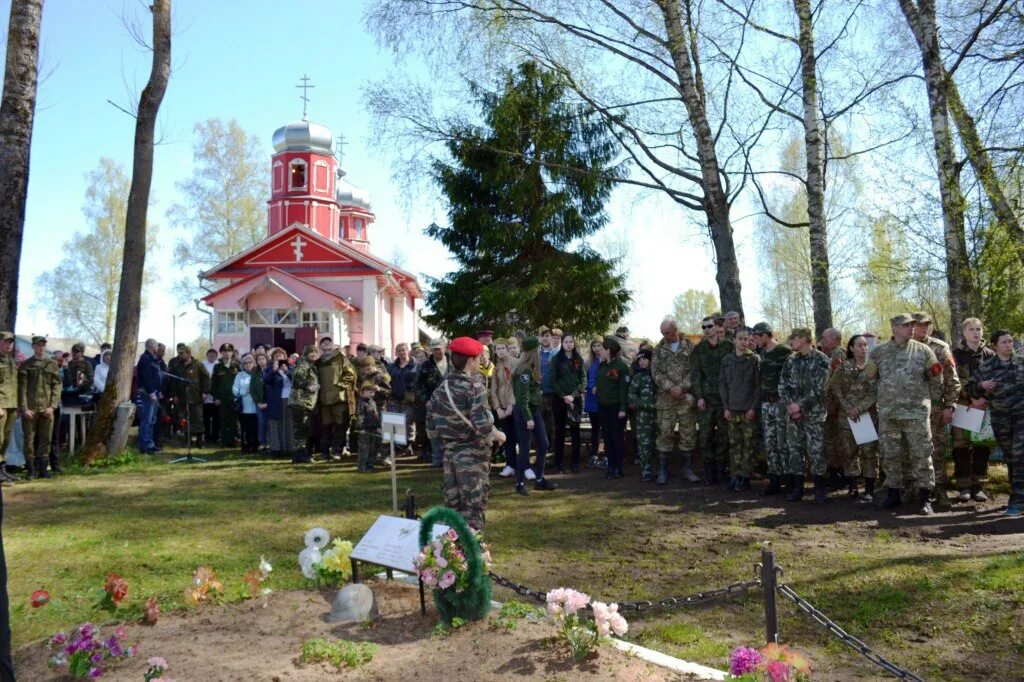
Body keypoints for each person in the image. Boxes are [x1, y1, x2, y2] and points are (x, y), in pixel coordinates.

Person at [426, 336, 506, 528]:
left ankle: (452, 555)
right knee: (473, 511)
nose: (480, 362)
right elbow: (482, 426)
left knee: (453, 511)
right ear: (470, 361)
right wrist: (499, 435)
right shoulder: (473, 387)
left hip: (449, 458)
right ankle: (472, 555)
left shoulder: (440, 389)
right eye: (478, 358)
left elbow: (431, 429)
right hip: (473, 459)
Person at [868, 313, 942, 514]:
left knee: (922, 455)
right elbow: (870, 378)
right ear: (894, 327)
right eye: (905, 325)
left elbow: (936, 379)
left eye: (912, 325)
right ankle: (893, 496)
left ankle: (925, 498)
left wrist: (933, 405)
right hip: (889, 415)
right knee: (890, 456)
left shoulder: (924, 351)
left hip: (916, 414)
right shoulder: (878, 353)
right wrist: (882, 400)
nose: (911, 328)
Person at [911, 311, 961, 509]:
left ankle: (939, 489)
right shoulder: (902, 348)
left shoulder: (940, 348)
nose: (924, 328)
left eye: (927, 324)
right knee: (911, 450)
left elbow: (952, 380)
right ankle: (916, 488)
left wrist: (949, 405)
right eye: (919, 324)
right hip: (910, 409)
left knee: (936, 450)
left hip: (935, 409)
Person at [973, 330, 1024, 516]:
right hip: (1001, 419)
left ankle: (1018, 502)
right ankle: (1018, 495)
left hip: (1021, 418)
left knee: (1020, 456)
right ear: (995, 346)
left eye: (1011, 341)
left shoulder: (1021, 362)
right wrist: (981, 385)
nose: (1009, 345)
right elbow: (969, 388)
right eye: (1004, 342)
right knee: (1011, 458)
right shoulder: (987, 367)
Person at [778, 328, 831, 502]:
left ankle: (819, 490)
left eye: (792, 339)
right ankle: (797, 489)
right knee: (795, 451)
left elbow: (820, 389)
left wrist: (799, 406)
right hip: (793, 415)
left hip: (814, 415)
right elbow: (782, 384)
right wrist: (790, 406)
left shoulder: (821, 359)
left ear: (802, 339)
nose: (790, 342)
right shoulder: (791, 360)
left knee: (816, 452)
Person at [829, 335, 879, 501]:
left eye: (865, 345)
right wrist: (848, 408)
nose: (863, 348)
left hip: (865, 416)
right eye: (859, 345)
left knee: (868, 453)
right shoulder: (844, 366)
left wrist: (859, 408)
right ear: (851, 348)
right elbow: (835, 387)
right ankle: (852, 486)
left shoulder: (872, 366)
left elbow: (875, 392)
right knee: (849, 452)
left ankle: (870, 489)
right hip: (847, 416)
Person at [951, 317, 995, 502]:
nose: (975, 332)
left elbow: (998, 379)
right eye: (971, 329)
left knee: (982, 445)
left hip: (984, 405)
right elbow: (952, 380)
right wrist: (971, 397)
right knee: (961, 445)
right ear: (964, 332)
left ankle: (978, 486)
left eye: (978, 329)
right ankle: (964, 486)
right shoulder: (955, 354)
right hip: (964, 404)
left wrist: (983, 399)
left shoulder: (990, 355)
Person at [651, 318, 699, 485]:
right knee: (665, 434)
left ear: (676, 329)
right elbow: (655, 373)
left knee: (688, 434)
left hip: (685, 399)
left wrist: (682, 388)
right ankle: (663, 471)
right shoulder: (658, 349)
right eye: (663, 334)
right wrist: (671, 388)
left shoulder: (690, 347)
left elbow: (695, 369)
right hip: (666, 399)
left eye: (668, 333)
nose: (666, 336)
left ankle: (686, 469)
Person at [511, 336, 557, 494]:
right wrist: (529, 418)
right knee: (524, 448)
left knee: (544, 443)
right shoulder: (524, 371)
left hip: (535, 410)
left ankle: (539, 479)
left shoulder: (532, 369)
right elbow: (522, 399)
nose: (539, 351)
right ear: (532, 351)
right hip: (525, 412)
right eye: (537, 349)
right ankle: (519, 484)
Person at [751, 322, 792, 495]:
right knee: (770, 442)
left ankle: (789, 480)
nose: (754, 340)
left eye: (756, 336)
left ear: (766, 335)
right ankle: (774, 480)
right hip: (766, 404)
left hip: (781, 403)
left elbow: (792, 377)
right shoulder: (762, 353)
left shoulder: (785, 352)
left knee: (784, 442)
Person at [692, 315, 733, 484]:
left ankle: (721, 471)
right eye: (704, 327)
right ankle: (710, 473)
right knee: (705, 437)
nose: (707, 330)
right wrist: (699, 397)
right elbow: (696, 375)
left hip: (725, 400)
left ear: (717, 327)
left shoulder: (729, 347)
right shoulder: (699, 349)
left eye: (709, 326)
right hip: (707, 400)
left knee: (724, 436)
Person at [719, 327, 761, 492]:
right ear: (734, 340)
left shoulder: (754, 360)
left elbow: (758, 387)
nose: (744, 342)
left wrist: (753, 408)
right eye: (740, 339)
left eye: (746, 339)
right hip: (732, 409)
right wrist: (725, 407)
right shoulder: (727, 360)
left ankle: (745, 477)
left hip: (748, 410)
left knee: (748, 444)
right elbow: (723, 385)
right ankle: (734, 476)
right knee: (734, 444)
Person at [18, 336, 61, 479]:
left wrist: (52, 407)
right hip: (31, 409)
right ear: (33, 347)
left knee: (46, 440)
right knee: (29, 441)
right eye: (38, 345)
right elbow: (22, 388)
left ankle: (43, 470)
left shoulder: (52, 364)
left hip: (46, 409)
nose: (41, 348)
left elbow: (57, 386)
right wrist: (24, 408)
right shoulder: (26, 365)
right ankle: (31, 470)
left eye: (43, 345)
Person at [316, 336, 357, 461]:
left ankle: (337, 451)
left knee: (340, 425)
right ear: (320, 346)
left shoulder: (341, 358)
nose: (326, 343)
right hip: (323, 399)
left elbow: (351, 374)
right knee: (325, 426)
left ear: (332, 345)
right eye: (323, 342)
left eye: (329, 341)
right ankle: (324, 452)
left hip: (339, 398)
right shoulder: (318, 362)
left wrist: (340, 385)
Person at [550, 334, 586, 474]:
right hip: (559, 399)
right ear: (562, 344)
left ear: (574, 344)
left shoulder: (579, 359)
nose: (569, 344)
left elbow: (583, 379)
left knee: (575, 430)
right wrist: (563, 395)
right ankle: (558, 462)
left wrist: (573, 395)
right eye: (566, 342)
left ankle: (575, 462)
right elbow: (552, 380)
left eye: (571, 342)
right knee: (559, 431)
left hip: (575, 400)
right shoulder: (556, 359)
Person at [596, 336, 630, 479]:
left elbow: (624, 389)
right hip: (603, 408)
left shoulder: (622, 367)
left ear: (608, 350)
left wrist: (623, 408)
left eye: (602, 349)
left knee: (617, 438)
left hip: (616, 408)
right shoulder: (602, 366)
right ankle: (610, 466)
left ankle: (618, 468)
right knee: (607, 438)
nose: (599, 351)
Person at [168, 345, 210, 448]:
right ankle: (187, 440)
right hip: (182, 397)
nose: (180, 355)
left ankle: (200, 441)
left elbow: (206, 378)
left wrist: (205, 392)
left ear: (188, 353)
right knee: (184, 419)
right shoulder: (177, 366)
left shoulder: (198, 364)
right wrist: (174, 395)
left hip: (196, 396)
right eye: (179, 353)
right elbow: (174, 382)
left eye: (182, 353)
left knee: (198, 419)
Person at [416, 338, 449, 467]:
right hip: (433, 404)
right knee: (434, 433)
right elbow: (418, 385)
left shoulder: (453, 362)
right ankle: (437, 459)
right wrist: (426, 400)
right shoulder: (425, 365)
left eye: (439, 349)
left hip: (451, 404)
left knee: (450, 431)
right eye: (434, 349)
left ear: (444, 348)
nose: (437, 352)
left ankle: (449, 460)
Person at [628, 347, 658, 481]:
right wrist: (646, 405)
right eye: (640, 359)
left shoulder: (657, 376)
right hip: (643, 416)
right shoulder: (637, 377)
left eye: (645, 359)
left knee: (658, 443)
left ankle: (659, 470)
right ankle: (646, 471)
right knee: (644, 444)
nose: (642, 362)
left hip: (658, 416)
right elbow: (631, 396)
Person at [287, 344, 320, 464]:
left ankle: (301, 454)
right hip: (300, 402)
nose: (314, 354)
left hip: (305, 402)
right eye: (312, 352)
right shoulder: (304, 364)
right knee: (301, 429)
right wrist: (308, 385)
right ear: (306, 353)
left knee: (303, 429)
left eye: (316, 352)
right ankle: (299, 455)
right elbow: (297, 378)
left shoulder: (310, 365)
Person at [490, 338, 518, 477]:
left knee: (519, 435)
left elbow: (516, 386)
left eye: (502, 348)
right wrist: (498, 408)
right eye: (498, 349)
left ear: (507, 349)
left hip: (514, 407)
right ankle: (510, 465)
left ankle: (523, 465)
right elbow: (493, 389)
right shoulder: (496, 367)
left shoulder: (515, 363)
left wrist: (511, 405)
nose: (500, 351)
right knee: (507, 437)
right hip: (502, 407)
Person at [387, 343, 419, 454]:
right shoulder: (391, 366)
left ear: (408, 351)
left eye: (403, 350)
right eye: (399, 351)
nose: (401, 352)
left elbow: (418, 381)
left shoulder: (416, 365)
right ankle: (399, 447)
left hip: (409, 398)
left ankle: (409, 444)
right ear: (396, 353)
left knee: (408, 422)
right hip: (394, 398)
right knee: (396, 422)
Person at [263, 348, 294, 458]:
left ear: (284, 357)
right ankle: (276, 450)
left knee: (288, 423)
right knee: (275, 424)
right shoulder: (270, 369)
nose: (278, 358)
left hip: (288, 399)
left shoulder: (290, 368)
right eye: (276, 356)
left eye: (280, 356)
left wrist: (287, 371)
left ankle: (288, 448)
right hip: (275, 400)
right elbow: (265, 380)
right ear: (273, 358)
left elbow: (296, 380)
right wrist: (273, 371)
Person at [232, 354, 266, 454]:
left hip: (257, 407)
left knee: (256, 428)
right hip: (245, 407)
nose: (248, 364)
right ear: (242, 365)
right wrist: (244, 391)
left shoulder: (259, 373)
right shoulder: (239, 375)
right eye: (245, 363)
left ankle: (256, 447)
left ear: (254, 363)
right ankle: (245, 447)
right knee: (245, 429)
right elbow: (234, 390)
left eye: (250, 362)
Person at [211, 343, 241, 448]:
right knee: (223, 420)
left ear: (232, 353)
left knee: (233, 420)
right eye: (224, 351)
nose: (227, 353)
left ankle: (233, 440)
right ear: (221, 353)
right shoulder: (217, 367)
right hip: (222, 398)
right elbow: (213, 384)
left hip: (234, 398)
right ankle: (224, 440)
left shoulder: (237, 366)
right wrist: (216, 397)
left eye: (229, 351)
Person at [136, 338, 163, 454]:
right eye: (157, 346)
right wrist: (152, 392)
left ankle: (150, 443)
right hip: (148, 393)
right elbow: (146, 378)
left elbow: (156, 376)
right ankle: (144, 445)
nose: (158, 348)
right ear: (152, 346)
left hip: (155, 392)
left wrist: (159, 391)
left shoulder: (153, 359)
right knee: (147, 419)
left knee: (152, 419)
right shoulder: (145, 359)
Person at [584, 338, 604, 469]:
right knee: (595, 428)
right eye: (594, 346)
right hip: (592, 399)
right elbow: (588, 379)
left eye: (599, 345)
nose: (596, 348)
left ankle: (607, 453)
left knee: (606, 428)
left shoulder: (606, 360)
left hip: (604, 399)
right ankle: (594, 453)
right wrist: (592, 387)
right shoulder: (589, 363)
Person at [0, 333, 17, 484]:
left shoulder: (11, 361)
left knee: (6, 438)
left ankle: (2, 469)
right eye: (6, 342)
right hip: (1, 405)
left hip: (12, 404)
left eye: (11, 342)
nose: (9, 345)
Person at [356, 381, 382, 472]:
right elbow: (360, 416)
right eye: (368, 391)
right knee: (364, 449)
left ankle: (370, 466)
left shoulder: (373, 402)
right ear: (362, 392)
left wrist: (378, 426)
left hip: (373, 429)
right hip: (364, 429)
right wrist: (360, 428)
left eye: (372, 391)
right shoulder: (361, 403)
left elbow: (376, 416)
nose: (371, 393)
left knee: (372, 449)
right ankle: (362, 467)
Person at [201, 348, 219, 444]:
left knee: (216, 418)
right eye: (210, 356)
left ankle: (215, 436)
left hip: (215, 396)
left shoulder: (218, 365)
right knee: (206, 418)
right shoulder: (202, 365)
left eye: (213, 356)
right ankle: (207, 436)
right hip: (206, 396)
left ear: (216, 356)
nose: (211, 357)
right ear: (207, 356)